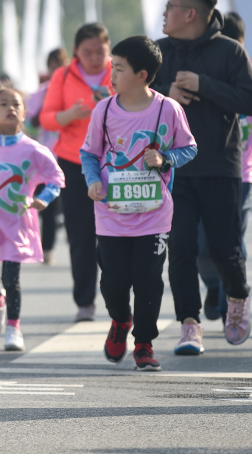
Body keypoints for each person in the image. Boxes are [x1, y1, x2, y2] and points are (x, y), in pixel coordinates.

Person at [153, 0, 252, 353]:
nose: (164, 13)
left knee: (223, 248)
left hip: (219, 164)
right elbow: (131, 97)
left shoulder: (230, 53)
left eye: (170, 7)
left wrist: (204, 84)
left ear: (190, 14)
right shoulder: (158, 52)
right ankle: (189, 324)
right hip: (172, 166)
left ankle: (238, 296)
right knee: (180, 247)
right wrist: (167, 92)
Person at [81, 37, 198, 371]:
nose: (111, 75)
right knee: (113, 282)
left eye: (119, 68)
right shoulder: (103, 109)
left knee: (149, 280)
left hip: (153, 216)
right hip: (111, 214)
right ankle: (120, 320)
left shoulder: (167, 109)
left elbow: (189, 149)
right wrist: (92, 181)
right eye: (112, 67)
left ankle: (144, 343)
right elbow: (89, 153)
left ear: (142, 75)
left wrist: (164, 159)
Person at [195, 13, 252, 321]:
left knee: (232, 238)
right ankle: (212, 284)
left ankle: (232, 298)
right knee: (201, 245)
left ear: (242, 44)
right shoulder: (200, 74)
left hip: (241, 171)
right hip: (202, 169)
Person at [0, 86, 64, 352]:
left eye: (16, 104)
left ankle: (14, 328)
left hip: (17, 223)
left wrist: (46, 198)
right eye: (3, 104)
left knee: (11, 279)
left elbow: (56, 177)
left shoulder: (33, 149)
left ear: (24, 113)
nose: (11, 109)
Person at [40, 23, 114, 322]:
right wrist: (71, 114)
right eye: (87, 52)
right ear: (75, 51)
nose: (95, 58)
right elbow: (46, 118)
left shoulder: (121, 71)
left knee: (115, 235)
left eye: (100, 51)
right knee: (80, 234)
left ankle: (116, 298)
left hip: (115, 161)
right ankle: (84, 300)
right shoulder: (63, 75)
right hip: (73, 160)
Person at [26, 47, 70, 265]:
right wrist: (48, 104)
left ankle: (77, 247)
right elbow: (30, 123)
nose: (57, 70)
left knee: (73, 204)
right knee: (47, 203)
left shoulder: (74, 89)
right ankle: (48, 248)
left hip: (72, 153)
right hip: (47, 155)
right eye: (53, 66)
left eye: (61, 65)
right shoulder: (42, 91)